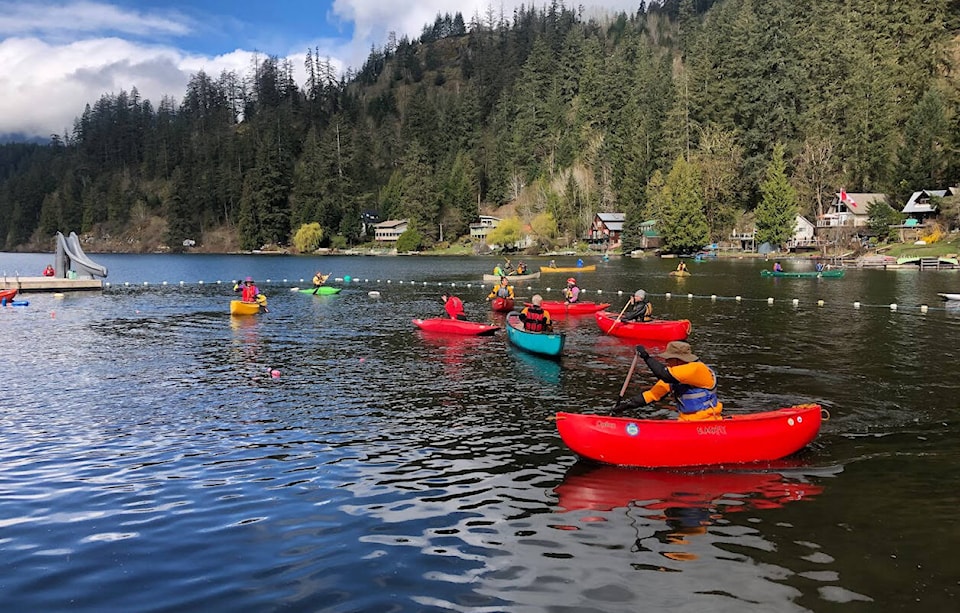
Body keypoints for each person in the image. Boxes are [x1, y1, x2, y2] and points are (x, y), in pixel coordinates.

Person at [614, 341, 723, 421]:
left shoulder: (696, 369)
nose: (666, 361)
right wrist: (623, 406)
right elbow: (652, 395)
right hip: (685, 422)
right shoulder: (675, 376)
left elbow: (663, 374)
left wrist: (645, 356)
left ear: (678, 359)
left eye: (669, 359)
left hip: (707, 423)